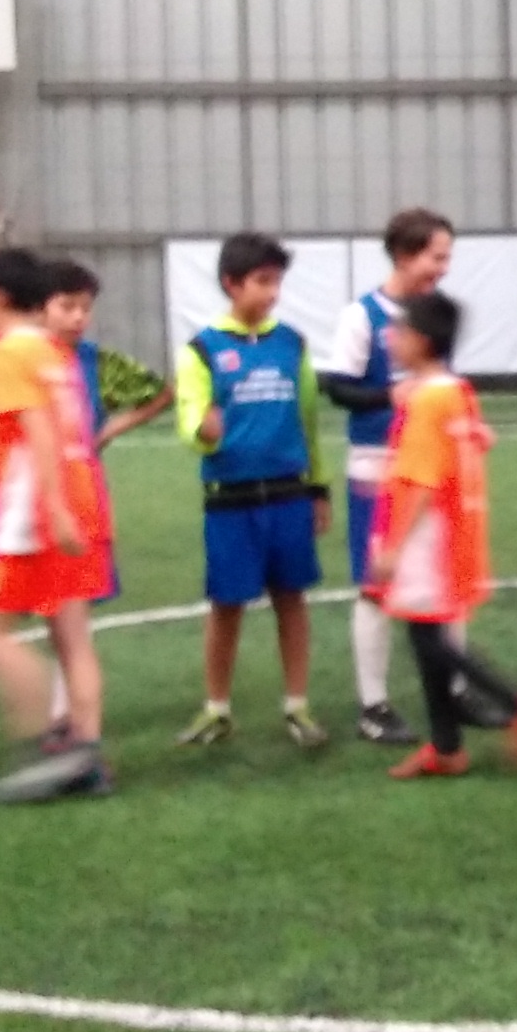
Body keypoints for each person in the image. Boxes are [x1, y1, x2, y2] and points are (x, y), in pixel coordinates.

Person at [368, 290, 517, 780]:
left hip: (427, 536)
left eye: (399, 330)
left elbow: (423, 480)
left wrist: (393, 548)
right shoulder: (454, 390)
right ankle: (446, 747)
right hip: (452, 529)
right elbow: (478, 439)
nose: (391, 338)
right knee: (425, 635)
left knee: (430, 638)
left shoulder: (429, 401)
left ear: (421, 340)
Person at [0, 248, 114, 804]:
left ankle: (38, 744)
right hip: (84, 499)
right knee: (73, 638)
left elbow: (38, 431)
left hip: (31, 515)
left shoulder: (7, 352)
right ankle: (88, 754)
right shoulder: (54, 352)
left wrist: (52, 508)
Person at [178, 233, 331, 752]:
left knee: (292, 599)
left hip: (289, 495)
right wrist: (203, 431)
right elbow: (189, 417)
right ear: (231, 283)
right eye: (262, 281)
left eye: (277, 282)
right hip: (230, 500)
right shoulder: (202, 349)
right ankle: (217, 709)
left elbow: (308, 422)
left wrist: (318, 487)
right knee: (227, 605)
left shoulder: (292, 344)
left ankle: (297, 705)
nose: (272, 292)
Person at [319, 207, 458, 747]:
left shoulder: (433, 314)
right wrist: (387, 395)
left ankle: (454, 690)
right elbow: (337, 387)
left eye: (446, 258)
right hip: (377, 466)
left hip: (431, 465)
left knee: (444, 576)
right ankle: (373, 706)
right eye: (435, 257)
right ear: (404, 255)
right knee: (377, 584)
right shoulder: (363, 316)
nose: (443, 268)